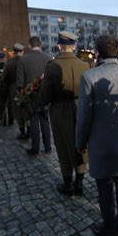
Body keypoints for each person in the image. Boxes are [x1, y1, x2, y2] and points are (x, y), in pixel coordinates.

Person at [76, 35, 118, 236]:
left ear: (98, 52)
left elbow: (84, 115)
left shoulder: (89, 76)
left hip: (101, 142)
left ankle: (109, 227)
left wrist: (80, 143)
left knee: (104, 188)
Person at [41, 31, 90, 196]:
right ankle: (80, 183)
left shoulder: (52, 66)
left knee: (63, 145)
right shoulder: (85, 65)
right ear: (75, 46)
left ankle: (68, 182)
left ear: (59, 46)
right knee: (81, 144)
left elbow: (45, 95)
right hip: (81, 107)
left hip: (60, 110)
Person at [17, 37, 52, 154]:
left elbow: (20, 82)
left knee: (33, 121)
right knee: (45, 121)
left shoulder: (23, 60)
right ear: (40, 45)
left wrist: (21, 95)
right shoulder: (47, 59)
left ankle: (35, 148)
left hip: (30, 96)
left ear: (29, 45)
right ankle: (48, 147)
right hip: (45, 95)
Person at [3, 43, 28, 139]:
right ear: (22, 51)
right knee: (26, 110)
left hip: (14, 88)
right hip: (27, 88)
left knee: (18, 111)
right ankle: (29, 130)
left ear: (13, 52)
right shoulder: (27, 61)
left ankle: (22, 131)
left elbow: (4, 78)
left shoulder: (9, 63)